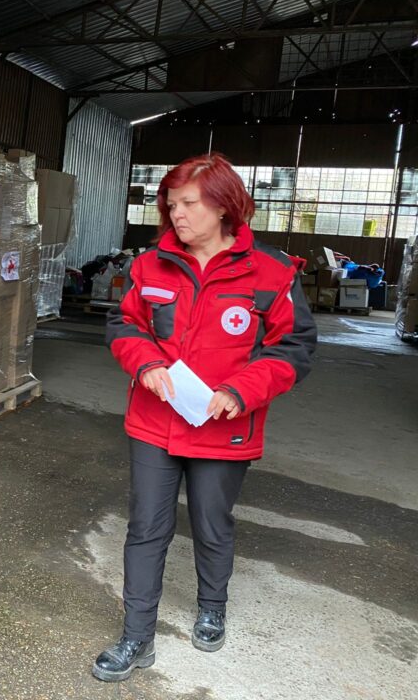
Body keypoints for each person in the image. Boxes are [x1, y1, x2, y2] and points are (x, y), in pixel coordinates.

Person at [93, 153, 317, 682]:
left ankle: (212, 607)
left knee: (212, 525)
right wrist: (146, 363)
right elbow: (125, 324)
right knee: (146, 527)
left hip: (225, 426)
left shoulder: (272, 272)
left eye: (189, 204)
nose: (177, 215)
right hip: (155, 421)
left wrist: (243, 389)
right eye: (171, 205)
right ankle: (136, 637)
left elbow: (294, 347)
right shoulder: (150, 265)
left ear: (223, 206)